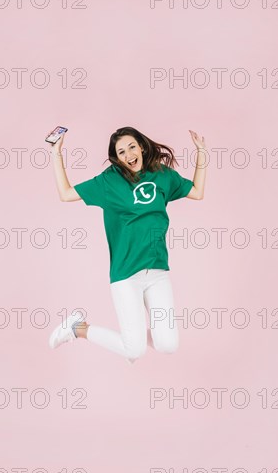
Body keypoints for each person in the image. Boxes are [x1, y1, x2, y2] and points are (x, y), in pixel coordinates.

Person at [47, 126, 206, 363]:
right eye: (121, 152)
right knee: (134, 350)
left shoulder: (162, 175)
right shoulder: (110, 182)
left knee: (168, 345)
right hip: (126, 274)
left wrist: (202, 152)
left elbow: (196, 191)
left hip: (158, 272)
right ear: (117, 157)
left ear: (141, 147)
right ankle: (78, 328)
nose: (128, 154)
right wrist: (56, 153)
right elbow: (66, 193)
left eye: (131, 147)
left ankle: (132, 339)